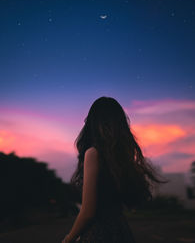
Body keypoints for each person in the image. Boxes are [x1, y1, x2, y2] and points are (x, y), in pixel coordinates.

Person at [62, 96, 167, 243]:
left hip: (99, 233)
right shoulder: (121, 158)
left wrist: (68, 239)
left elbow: (88, 212)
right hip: (121, 231)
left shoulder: (93, 153)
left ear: (92, 122)